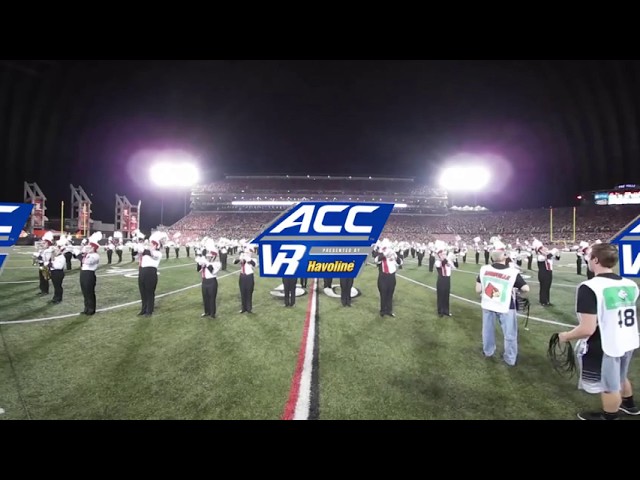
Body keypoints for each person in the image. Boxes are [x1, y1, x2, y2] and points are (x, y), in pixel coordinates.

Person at [557, 242, 639, 420]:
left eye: (589, 256)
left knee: (609, 384)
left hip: (606, 342)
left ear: (595, 259)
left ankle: (610, 416)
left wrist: (565, 336)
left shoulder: (590, 287)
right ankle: (629, 405)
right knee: (620, 374)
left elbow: (587, 328)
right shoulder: (630, 284)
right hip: (628, 337)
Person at [476, 242, 529, 366]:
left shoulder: (484, 269)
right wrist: (517, 291)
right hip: (506, 306)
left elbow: (478, 289)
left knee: (487, 331)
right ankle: (510, 358)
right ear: (504, 257)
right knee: (510, 334)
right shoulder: (512, 272)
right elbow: (526, 288)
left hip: (488, 304)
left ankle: (488, 351)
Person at [374, 238, 403, 317]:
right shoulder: (380, 253)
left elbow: (400, 262)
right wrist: (384, 254)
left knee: (390, 294)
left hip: (391, 276)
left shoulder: (393, 253)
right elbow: (376, 260)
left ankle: (389, 310)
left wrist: (395, 257)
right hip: (383, 276)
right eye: (385, 247)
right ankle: (382, 311)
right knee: (383, 294)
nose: (387, 249)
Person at [138, 231, 164, 317]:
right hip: (142, 272)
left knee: (149, 292)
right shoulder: (145, 252)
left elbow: (151, 254)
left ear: (156, 245)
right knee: (143, 292)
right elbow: (137, 252)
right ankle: (143, 309)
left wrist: (143, 245)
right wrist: (138, 241)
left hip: (151, 273)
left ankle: (149, 310)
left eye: (152, 244)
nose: (150, 245)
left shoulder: (158, 253)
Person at [80, 232, 102, 315]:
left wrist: (80, 255)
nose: (88, 248)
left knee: (89, 292)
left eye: (90, 246)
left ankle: (91, 309)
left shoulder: (95, 255)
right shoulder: (87, 254)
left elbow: (88, 262)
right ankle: (86, 308)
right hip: (83, 273)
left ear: (94, 248)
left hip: (89, 274)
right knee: (85, 292)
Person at [197, 242, 220, 318]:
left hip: (212, 282)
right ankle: (206, 312)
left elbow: (212, 271)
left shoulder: (217, 263)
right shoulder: (206, 262)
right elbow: (198, 270)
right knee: (205, 297)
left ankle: (212, 313)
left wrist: (206, 263)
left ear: (214, 256)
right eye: (207, 256)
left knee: (212, 298)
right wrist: (199, 262)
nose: (208, 257)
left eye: (209, 256)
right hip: (204, 281)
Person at [234, 246, 256, 313]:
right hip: (242, 276)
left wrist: (247, 258)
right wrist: (240, 258)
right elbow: (235, 262)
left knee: (249, 292)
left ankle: (249, 308)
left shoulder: (253, 259)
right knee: (242, 292)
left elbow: (254, 264)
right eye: (246, 252)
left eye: (248, 252)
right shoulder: (243, 259)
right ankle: (243, 308)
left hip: (249, 276)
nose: (247, 253)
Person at [435, 248, 455, 317]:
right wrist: (448, 259)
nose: (444, 255)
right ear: (439, 255)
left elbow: (454, 267)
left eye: (445, 254)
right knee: (441, 296)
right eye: (443, 254)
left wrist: (453, 260)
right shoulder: (437, 262)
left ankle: (446, 311)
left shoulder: (448, 261)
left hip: (447, 279)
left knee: (446, 295)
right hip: (441, 280)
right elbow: (442, 264)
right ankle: (440, 311)